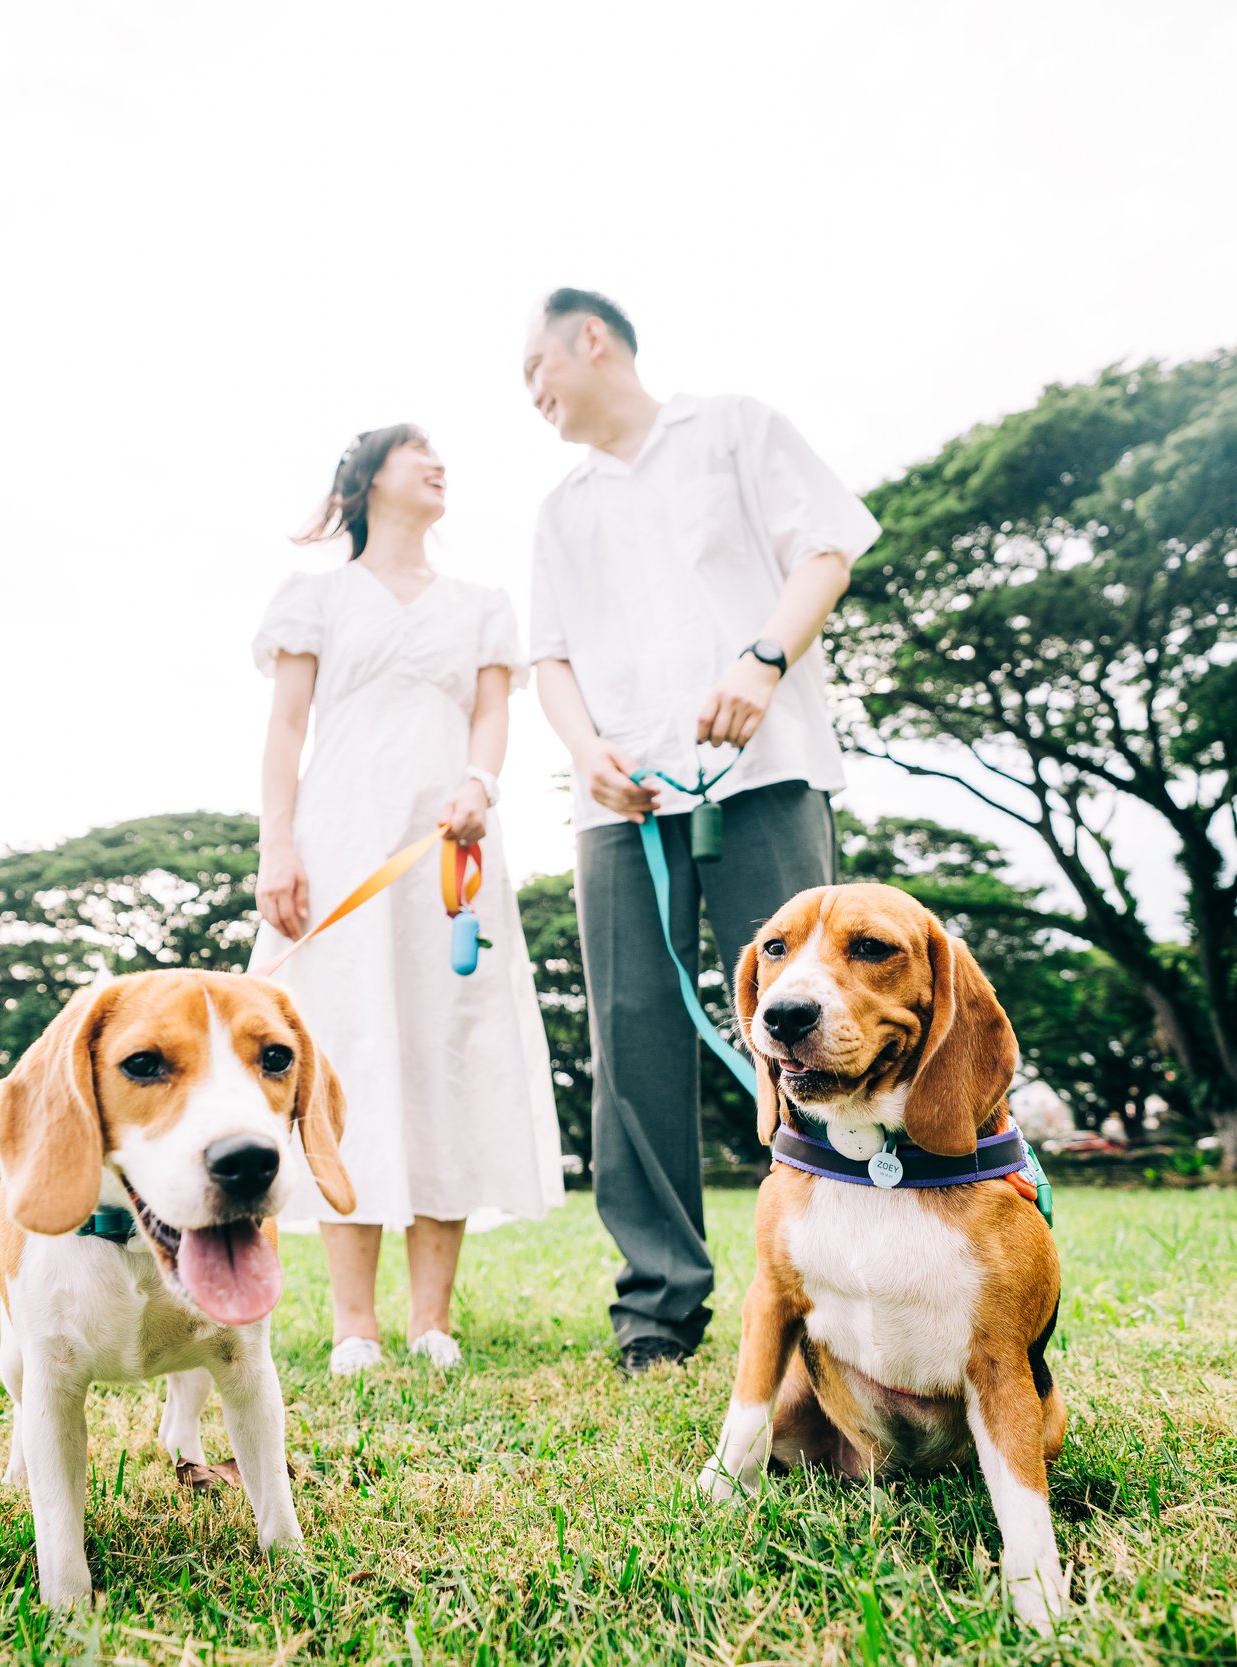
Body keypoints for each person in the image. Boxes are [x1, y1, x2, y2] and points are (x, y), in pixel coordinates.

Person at [522, 288, 880, 1373]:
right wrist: (585, 751)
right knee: (631, 1043)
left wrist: (760, 660)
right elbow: (552, 658)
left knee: (815, 1023)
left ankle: (840, 1284)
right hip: (621, 806)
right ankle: (656, 1310)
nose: (532, 393)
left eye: (533, 365)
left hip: (765, 772)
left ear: (592, 338)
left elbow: (827, 547)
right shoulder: (561, 507)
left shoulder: (733, 427)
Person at [250, 424, 566, 1376]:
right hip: (340, 842)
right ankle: (356, 1322)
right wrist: (278, 844)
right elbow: (286, 730)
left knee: (445, 1049)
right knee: (345, 1052)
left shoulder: (479, 604)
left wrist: (481, 779)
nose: (439, 463)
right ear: (367, 477)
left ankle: (434, 1319)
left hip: (449, 853)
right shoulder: (315, 597)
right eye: (415, 451)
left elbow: (492, 712)